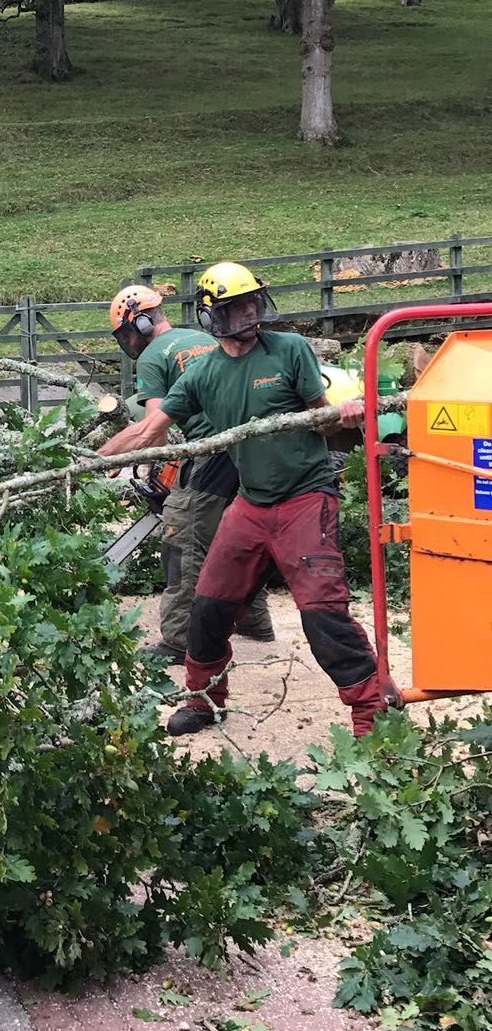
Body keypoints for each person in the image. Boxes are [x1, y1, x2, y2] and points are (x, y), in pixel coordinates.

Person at [102, 262, 401, 738]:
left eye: (250, 302)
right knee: (208, 607)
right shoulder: (203, 374)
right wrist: (86, 462)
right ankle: (203, 699)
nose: (247, 313)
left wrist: (344, 416)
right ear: (211, 316)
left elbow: (321, 423)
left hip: (306, 498)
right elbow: (148, 430)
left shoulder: (289, 349)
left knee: (323, 615)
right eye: (234, 307)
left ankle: (372, 714)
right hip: (251, 502)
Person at [108, 284, 273, 661]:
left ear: (143, 323)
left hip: (211, 450)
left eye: (128, 333)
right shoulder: (200, 338)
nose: (129, 342)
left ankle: (179, 639)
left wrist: (98, 460)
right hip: (249, 444)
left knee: (181, 534)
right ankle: (255, 621)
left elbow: (154, 429)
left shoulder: (151, 356)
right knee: (238, 534)